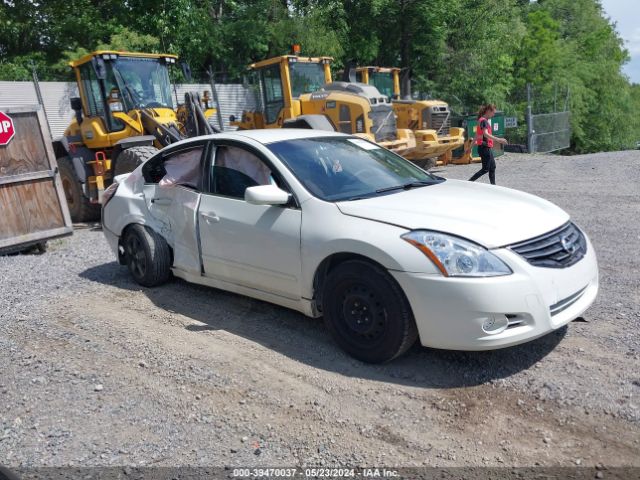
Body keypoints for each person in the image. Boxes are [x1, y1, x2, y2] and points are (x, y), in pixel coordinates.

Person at [468, 104, 508, 185]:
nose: (493, 115)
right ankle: (469, 182)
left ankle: (493, 186)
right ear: (488, 111)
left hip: (485, 147)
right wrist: (499, 140)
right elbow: (485, 134)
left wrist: (470, 148)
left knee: (492, 167)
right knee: (485, 169)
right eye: (493, 113)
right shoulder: (484, 121)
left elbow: (476, 136)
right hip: (484, 147)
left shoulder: (481, 120)